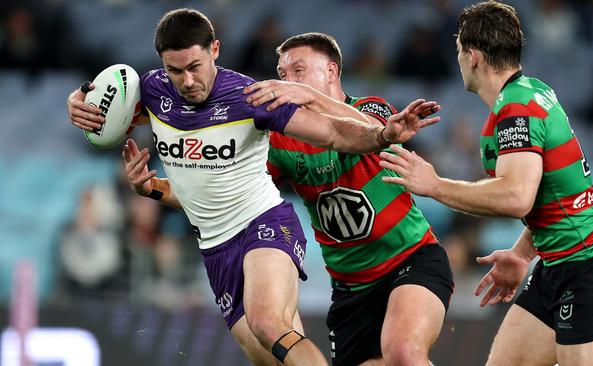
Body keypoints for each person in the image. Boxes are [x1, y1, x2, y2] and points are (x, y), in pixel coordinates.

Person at [65, 9, 439, 366]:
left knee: (268, 323)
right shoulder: (152, 92)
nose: (188, 81)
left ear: (215, 50)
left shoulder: (252, 97)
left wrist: (384, 133)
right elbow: (101, 113)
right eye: (175, 71)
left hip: (268, 227)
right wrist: (79, 106)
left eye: (195, 67)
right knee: (270, 355)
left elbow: (333, 132)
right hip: (217, 248)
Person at [378, 2, 593, 366]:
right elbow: (554, 194)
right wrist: (520, 253)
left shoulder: (517, 108)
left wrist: (434, 185)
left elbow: (517, 197)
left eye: (458, 53)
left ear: (472, 56)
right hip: (557, 264)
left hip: (590, 266)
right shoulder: (529, 93)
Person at [243, 32, 453, 366]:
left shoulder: (369, 107)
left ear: (330, 71)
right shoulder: (282, 142)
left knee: (403, 352)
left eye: (298, 71)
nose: (286, 82)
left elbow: (371, 132)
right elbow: (237, 193)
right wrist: (161, 189)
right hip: (350, 290)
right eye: (282, 75)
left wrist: (307, 98)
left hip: (411, 259)